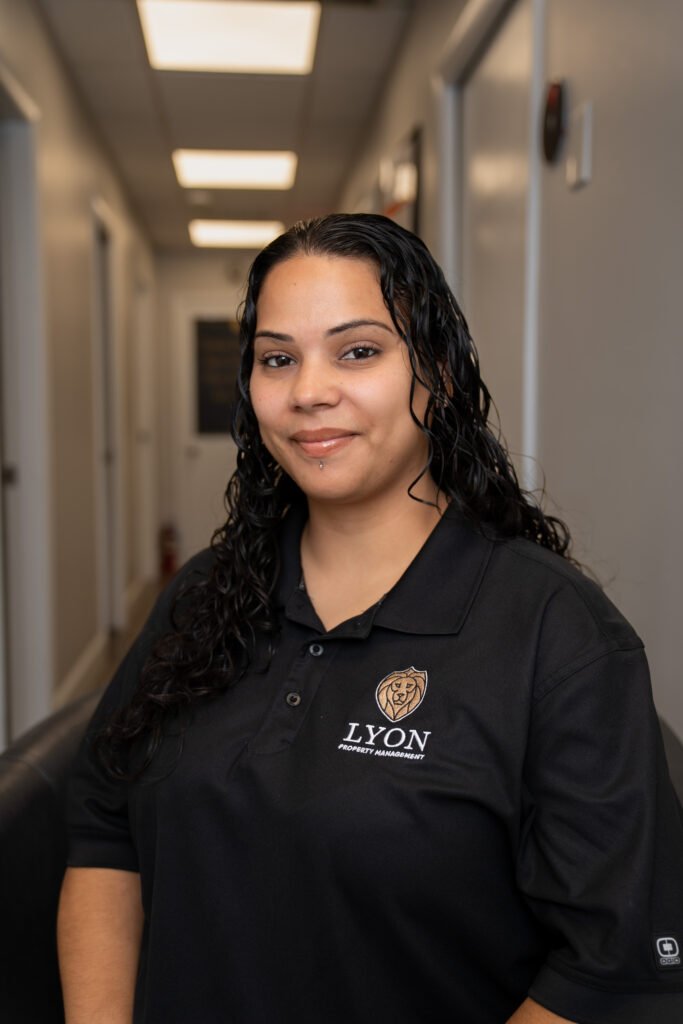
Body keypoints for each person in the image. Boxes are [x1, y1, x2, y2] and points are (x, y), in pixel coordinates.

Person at [58, 214, 683, 1024]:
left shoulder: (553, 632)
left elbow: (607, 970)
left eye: (357, 350)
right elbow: (105, 832)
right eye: (277, 358)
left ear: (441, 373)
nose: (309, 390)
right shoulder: (206, 594)